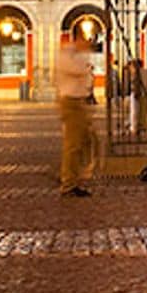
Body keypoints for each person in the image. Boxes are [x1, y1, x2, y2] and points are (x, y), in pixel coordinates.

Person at [56, 35, 96, 197]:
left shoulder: (75, 55)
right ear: (79, 39)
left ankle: (75, 175)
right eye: (86, 41)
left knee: (86, 139)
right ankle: (68, 182)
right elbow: (81, 70)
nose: (88, 45)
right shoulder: (66, 55)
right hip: (70, 103)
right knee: (73, 143)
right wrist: (86, 63)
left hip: (79, 102)